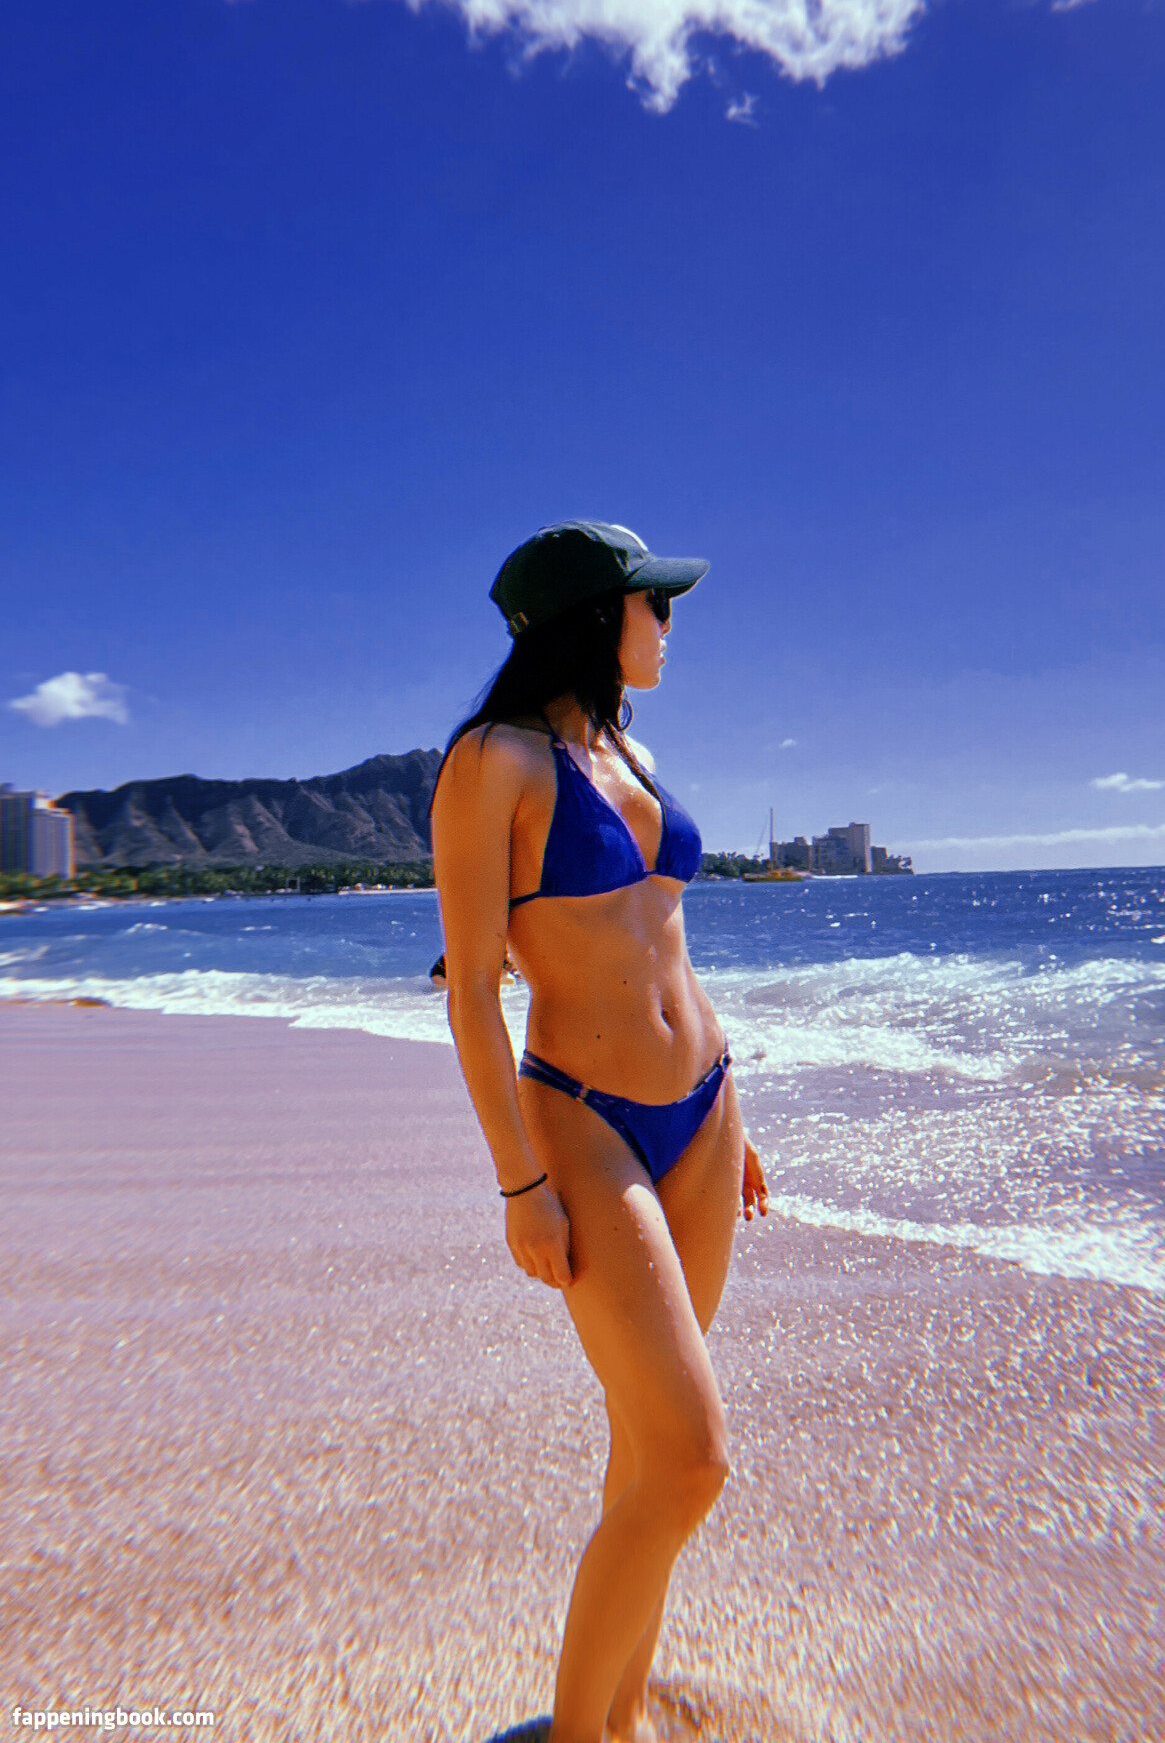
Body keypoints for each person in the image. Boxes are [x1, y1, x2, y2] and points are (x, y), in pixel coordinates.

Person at [430, 521, 768, 1743]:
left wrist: (737, 1119)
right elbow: (474, 992)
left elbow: (668, 946)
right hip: (585, 1123)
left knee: (645, 1450)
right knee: (691, 1459)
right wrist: (519, 1182)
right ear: (592, 616)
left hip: (705, 1108)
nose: (667, 627)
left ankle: (620, 1714)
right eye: (651, 605)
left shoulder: (634, 750)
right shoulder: (494, 762)